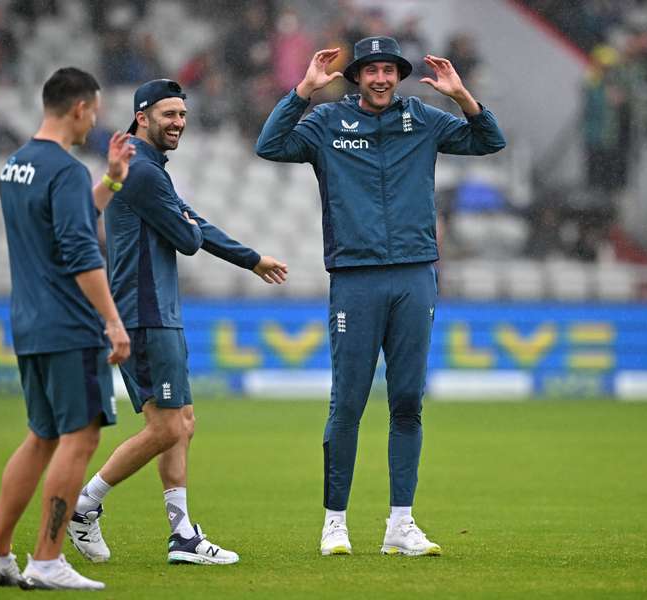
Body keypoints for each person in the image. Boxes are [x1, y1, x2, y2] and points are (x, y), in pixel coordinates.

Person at [255, 37, 506, 557]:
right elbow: (270, 145)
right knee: (347, 403)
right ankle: (335, 522)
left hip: (415, 277)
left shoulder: (425, 119)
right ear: (357, 77)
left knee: (408, 403)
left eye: (389, 70)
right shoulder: (327, 124)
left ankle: (400, 525)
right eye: (371, 70)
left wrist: (463, 97)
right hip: (355, 278)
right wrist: (302, 91)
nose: (381, 78)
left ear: (399, 75)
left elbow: (490, 141)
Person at [68, 79, 288, 566]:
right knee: (169, 428)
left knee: (181, 424)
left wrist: (250, 259)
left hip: (156, 310)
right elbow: (188, 239)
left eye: (182, 115)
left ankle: (182, 536)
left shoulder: (149, 171)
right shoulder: (144, 173)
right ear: (142, 117)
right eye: (169, 114)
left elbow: (194, 225)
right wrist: (190, 225)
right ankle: (84, 505)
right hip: (146, 314)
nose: (178, 123)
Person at [0, 67, 133, 591]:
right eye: (95, 111)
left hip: (30, 323)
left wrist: (108, 181)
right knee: (79, 439)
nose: (95, 121)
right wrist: (111, 319)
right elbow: (82, 250)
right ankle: (46, 559)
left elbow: (65, 219)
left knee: (40, 437)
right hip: (70, 325)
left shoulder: (15, 165)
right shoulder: (62, 168)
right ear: (80, 108)